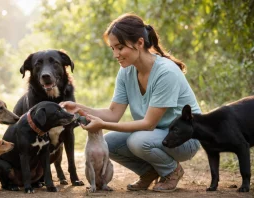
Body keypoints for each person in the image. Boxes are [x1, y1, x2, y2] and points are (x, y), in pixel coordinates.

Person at [60, 13, 201, 192]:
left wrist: (103, 124)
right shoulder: (126, 71)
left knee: (138, 140)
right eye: (112, 49)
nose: (115, 54)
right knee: (108, 143)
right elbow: (113, 113)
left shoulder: (166, 72)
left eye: (119, 47)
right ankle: (149, 171)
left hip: (185, 139)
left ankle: (172, 171)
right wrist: (79, 108)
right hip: (156, 134)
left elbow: (149, 124)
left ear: (140, 43)